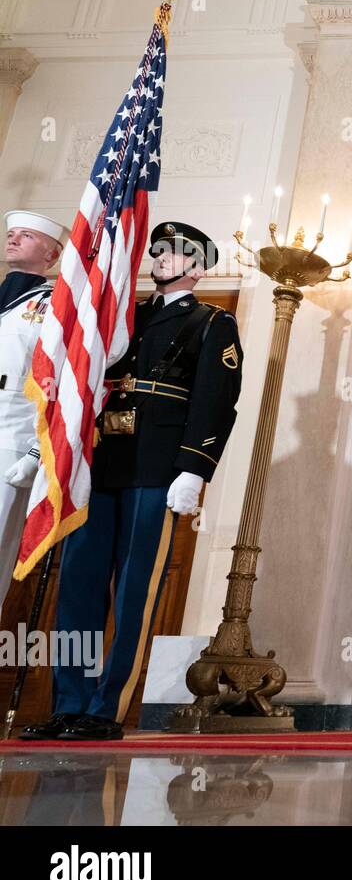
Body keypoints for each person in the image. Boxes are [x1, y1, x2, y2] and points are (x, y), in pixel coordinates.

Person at [22, 221, 242, 742]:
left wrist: (195, 469)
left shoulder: (213, 323)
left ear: (199, 266)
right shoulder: (123, 318)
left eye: (178, 252)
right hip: (100, 465)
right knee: (78, 586)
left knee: (133, 593)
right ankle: (68, 704)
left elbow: (216, 402)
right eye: (158, 249)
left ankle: (105, 708)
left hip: (156, 469)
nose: (163, 257)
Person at [0, 211, 68, 592]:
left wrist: (37, 449)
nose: (12, 239)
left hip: (12, 432)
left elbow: (58, 378)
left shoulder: (55, 303)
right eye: (11, 234)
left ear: (51, 254)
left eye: (25, 235)